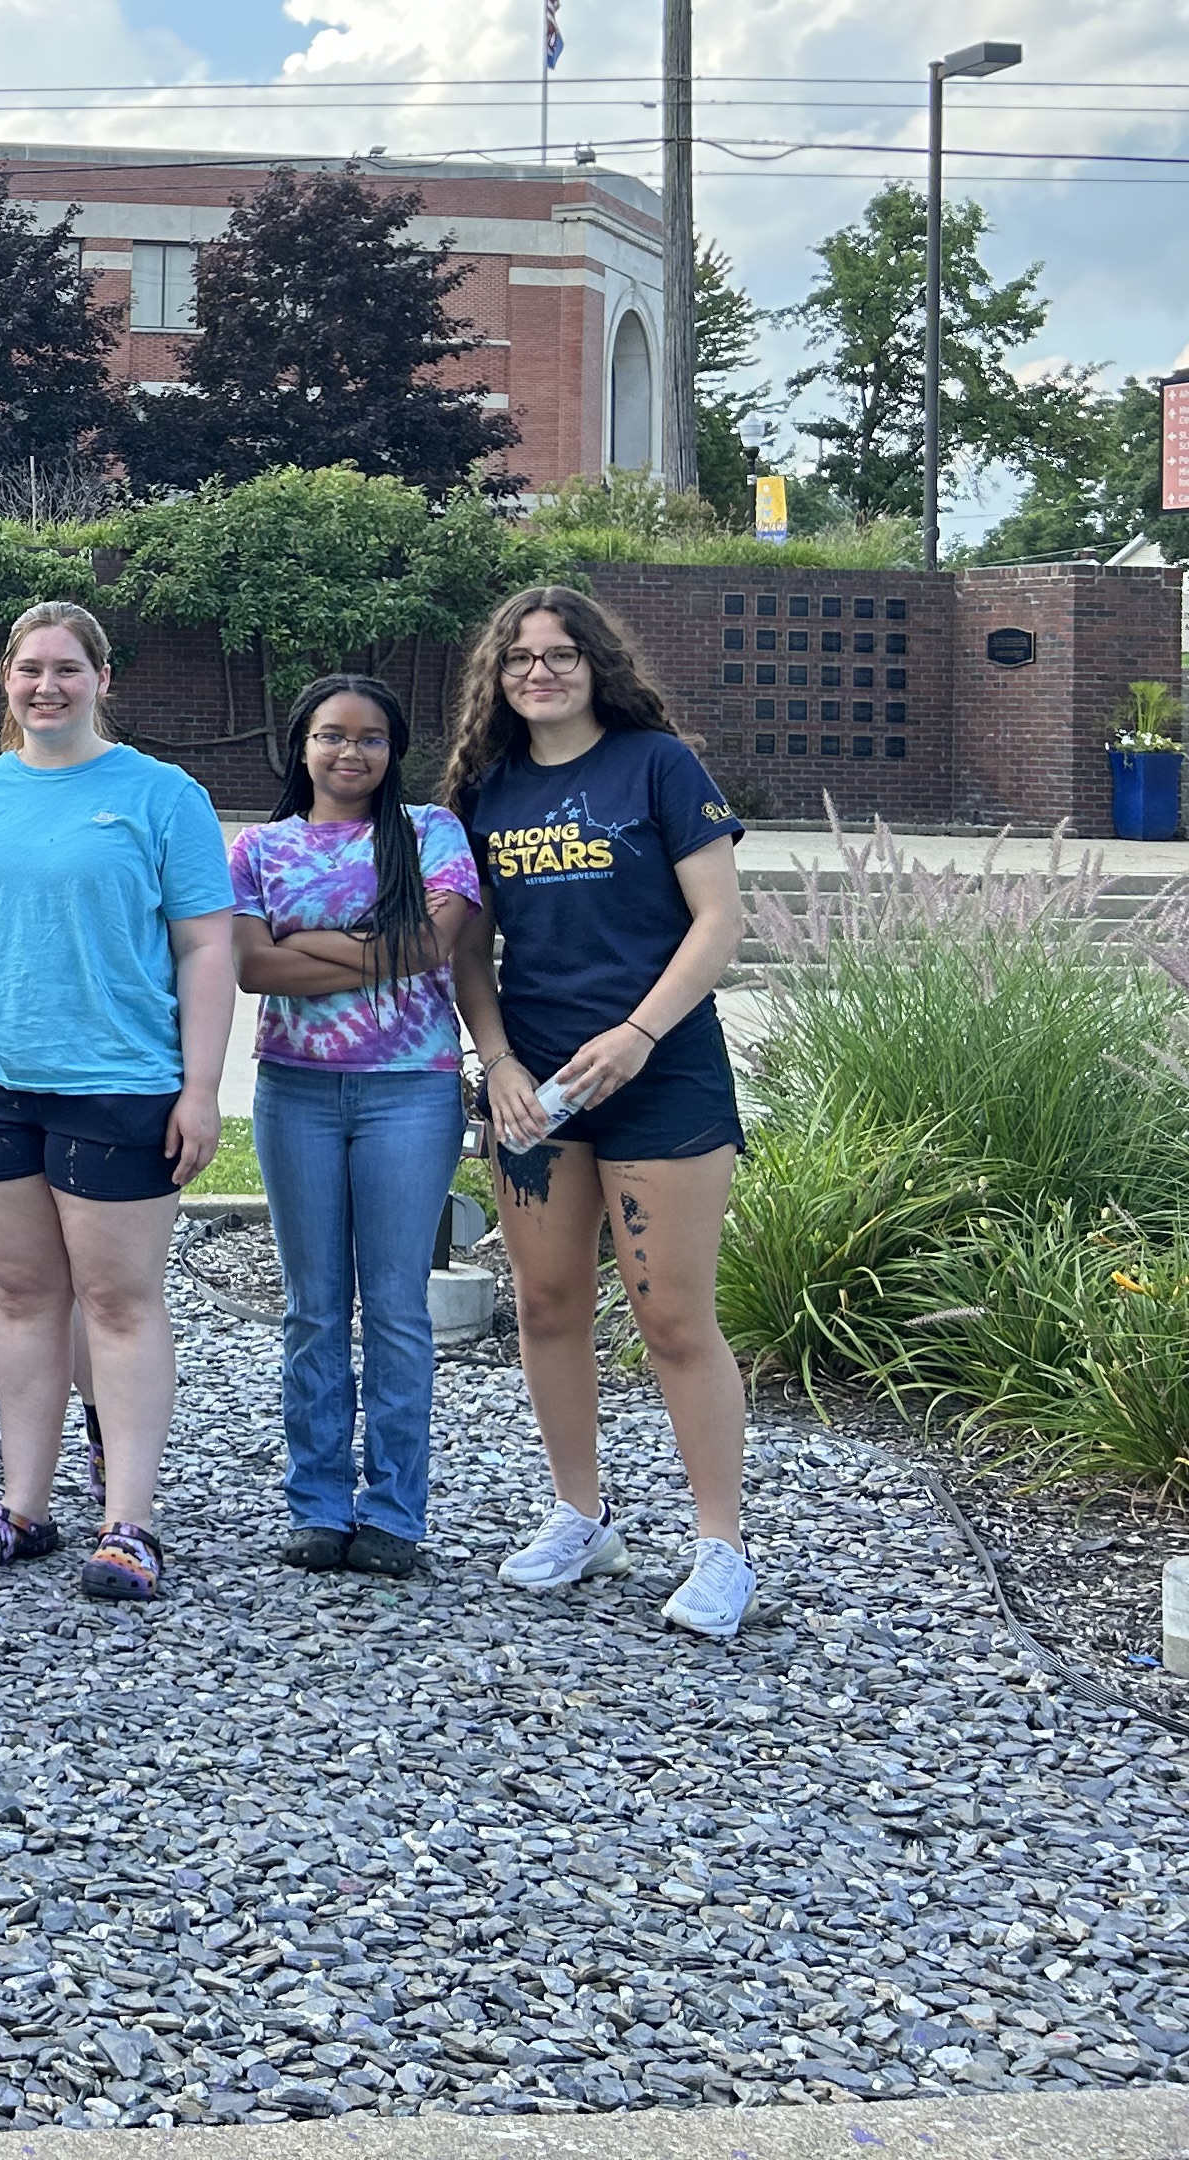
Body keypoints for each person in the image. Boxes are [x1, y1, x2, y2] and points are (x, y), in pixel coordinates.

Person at [0, 601, 232, 1603]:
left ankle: (130, 1523)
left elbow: (206, 948)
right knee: (25, 1298)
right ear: (6, 681)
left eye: (67, 669)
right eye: (29, 669)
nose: (47, 686)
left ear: (101, 679)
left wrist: (203, 1088)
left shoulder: (163, 797)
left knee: (121, 1304)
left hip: (121, 1085)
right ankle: (23, 1506)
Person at [445, 583, 757, 1640]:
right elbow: (467, 953)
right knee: (545, 1304)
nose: (541, 672)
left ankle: (723, 1545)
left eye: (562, 654)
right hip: (538, 1089)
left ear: (597, 665)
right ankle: (582, 1512)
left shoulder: (658, 766)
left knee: (671, 1317)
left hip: (659, 1079)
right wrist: (495, 1063)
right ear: (499, 676)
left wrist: (638, 1035)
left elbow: (718, 922)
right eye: (521, 657)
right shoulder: (483, 790)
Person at [232, 672, 484, 1582]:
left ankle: (392, 1514)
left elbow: (430, 947)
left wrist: (316, 946)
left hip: (409, 1092)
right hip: (294, 1091)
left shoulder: (429, 833)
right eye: (332, 735)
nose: (352, 752)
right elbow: (253, 969)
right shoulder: (259, 847)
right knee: (311, 1308)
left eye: (371, 737)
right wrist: (376, 951)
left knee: (397, 1308)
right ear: (300, 745)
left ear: (393, 749)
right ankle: (317, 1505)